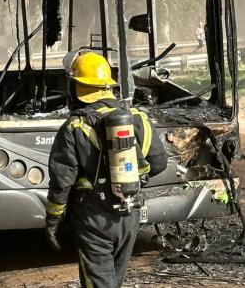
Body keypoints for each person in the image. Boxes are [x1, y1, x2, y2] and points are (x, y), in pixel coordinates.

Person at [45, 50, 167, 288]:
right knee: (113, 282)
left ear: (76, 88)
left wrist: (53, 221)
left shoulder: (75, 126)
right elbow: (159, 163)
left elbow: (61, 182)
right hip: (129, 212)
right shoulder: (137, 118)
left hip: (93, 218)